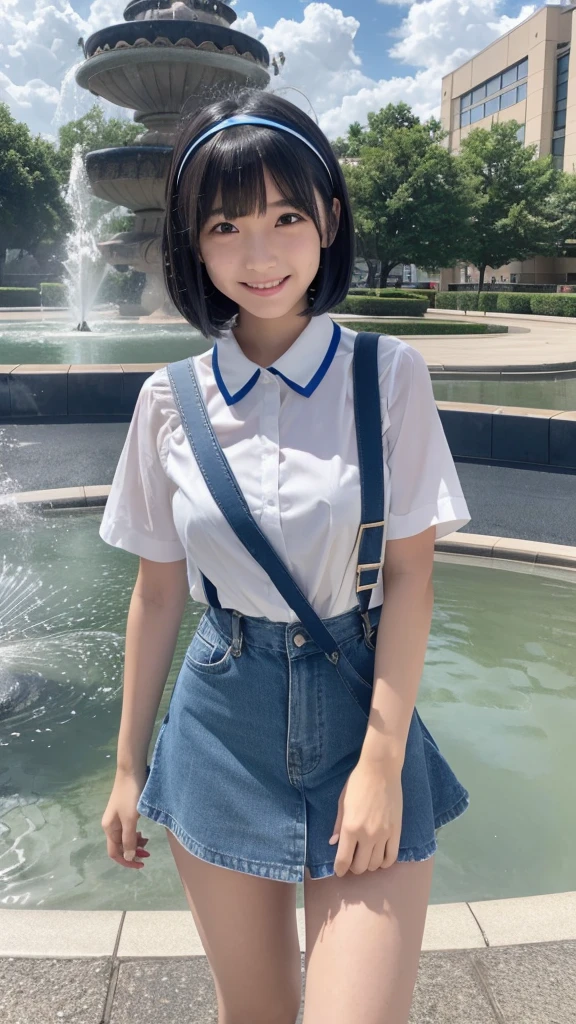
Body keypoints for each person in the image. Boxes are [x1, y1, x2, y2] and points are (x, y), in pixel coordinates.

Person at [99, 87, 472, 1024]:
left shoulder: (388, 377)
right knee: (255, 1013)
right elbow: (156, 592)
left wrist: (382, 762)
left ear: (329, 221)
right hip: (224, 713)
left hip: (357, 708)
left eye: (286, 217)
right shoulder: (166, 403)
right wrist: (126, 765)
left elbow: (413, 575)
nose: (258, 254)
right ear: (192, 241)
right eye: (225, 225)